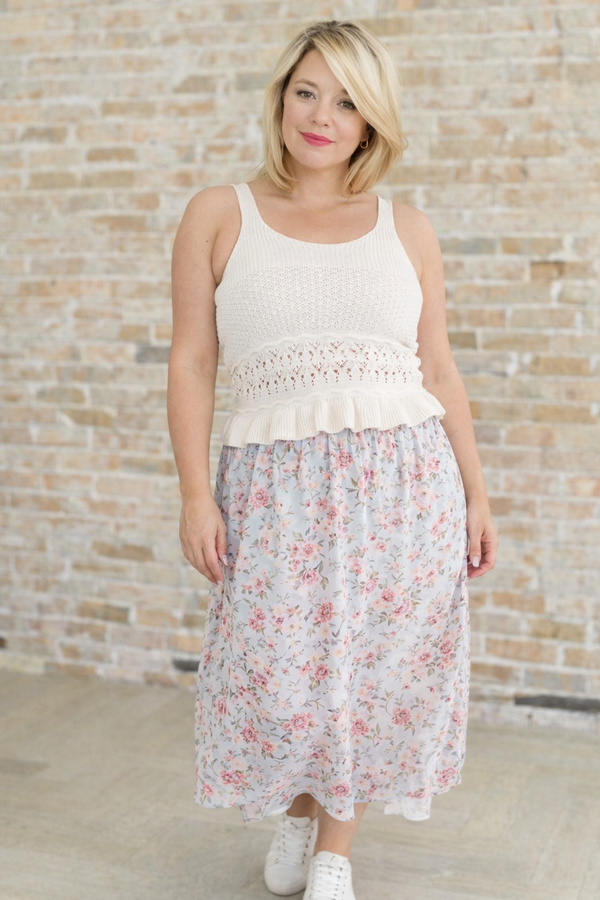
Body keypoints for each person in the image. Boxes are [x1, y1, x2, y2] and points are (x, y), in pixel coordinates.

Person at [168, 18, 498, 900]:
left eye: (348, 100)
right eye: (307, 91)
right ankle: (299, 807)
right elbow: (193, 361)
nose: (322, 115)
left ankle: (333, 852)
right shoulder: (216, 213)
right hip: (274, 491)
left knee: (372, 669)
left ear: (371, 121)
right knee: (284, 674)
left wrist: (476, 491)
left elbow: (438, 367)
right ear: (280, 98)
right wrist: (196, 495)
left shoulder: (407, 226)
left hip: (405, 485)